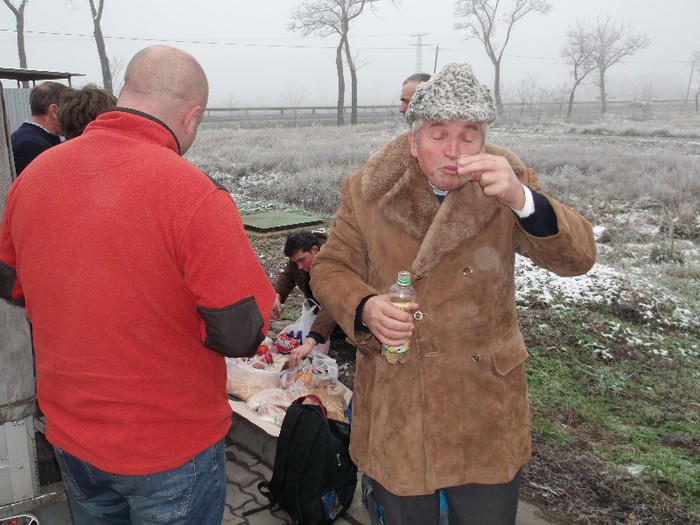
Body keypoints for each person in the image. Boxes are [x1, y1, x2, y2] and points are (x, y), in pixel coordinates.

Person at [310, 62, 596, 525]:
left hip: (482, 404)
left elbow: (578, 259)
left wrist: (523, 200)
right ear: (413, 141)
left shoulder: (507, 182)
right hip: (402, 401)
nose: (453, 150)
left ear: (484, 140)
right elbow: (330, 268)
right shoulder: (367, 192)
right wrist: (365, 308)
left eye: (469, 134)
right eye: (439, 134)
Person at [0, 45, 275, 525]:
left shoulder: (34, 176)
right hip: (168, 447)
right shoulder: (192, 193)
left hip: (72, 433)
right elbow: (240, 333)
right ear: (191, 117)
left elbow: (10, 281)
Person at [272, 230, 339, 369]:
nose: (300, 267)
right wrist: (277, 297)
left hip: (341, 311)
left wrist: (310, 342)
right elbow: (288, 275)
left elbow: (332, 303)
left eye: (302, 260)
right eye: (295, 262)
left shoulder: (334, 261)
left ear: (315, 250)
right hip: (319, 307)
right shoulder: (298, 260)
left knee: (328, 339)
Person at [10, 80, 67, 175]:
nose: (74, 115)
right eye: (69, 109)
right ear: (54, 111)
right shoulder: (29, 145)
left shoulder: (39, 138)